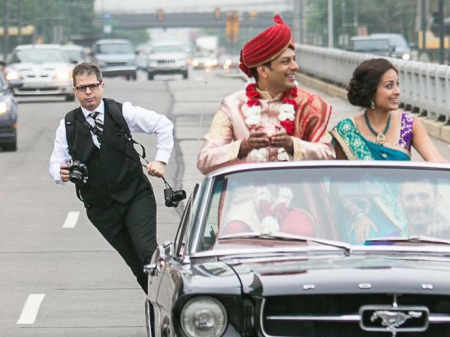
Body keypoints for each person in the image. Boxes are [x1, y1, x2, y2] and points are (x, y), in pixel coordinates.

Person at [49, 63, 174, 294]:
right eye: (82, 88)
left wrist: (161, 160)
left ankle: (174, 300)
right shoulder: (67, 125)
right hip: (100, 208)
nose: (88, 92)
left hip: (136, 195)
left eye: (93, 86)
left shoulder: (121, 112)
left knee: (146, 251)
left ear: (102, 86)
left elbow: (164, 125)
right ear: (74, 91)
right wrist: (61, 172)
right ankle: (160, 306)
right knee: (136, 265)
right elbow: (56, 162)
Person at [197, 15, 335, 176]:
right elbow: (204, 161)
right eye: (286, 62)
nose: (295, 67)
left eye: (294, 60)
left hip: (300, 197)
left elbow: (329, 156)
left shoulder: (310, 103)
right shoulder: (233, 105)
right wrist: (244, 146)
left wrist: (291, 144)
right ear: (263, 71)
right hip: (245, 197)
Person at [330, 58, 448, 162]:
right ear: (370, 91)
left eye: (397, 84)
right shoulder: (347, 131)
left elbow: (436, 160)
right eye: (389, 86)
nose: (397, 91)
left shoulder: (409, 125)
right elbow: (339, 179)